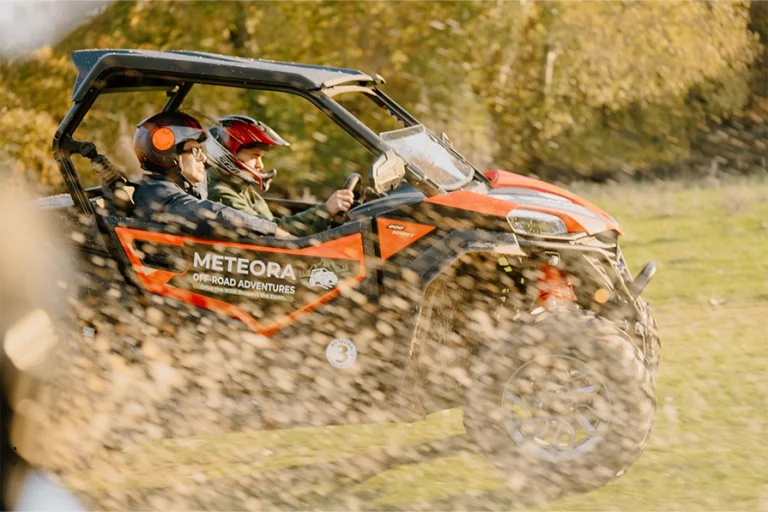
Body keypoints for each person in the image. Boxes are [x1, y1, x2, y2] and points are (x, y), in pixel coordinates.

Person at [131, 111, 295, 239]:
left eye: (202, 150)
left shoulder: (185, 187)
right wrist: (274, 231)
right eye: (195, 151)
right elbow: (211, 213)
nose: (203, 157)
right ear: (169, 157)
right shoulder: (156, 193)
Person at [204, 115, 354, 237]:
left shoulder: (241, 189)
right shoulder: (221, 194)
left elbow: (272, 224)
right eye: (255, 156)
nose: (260, 165)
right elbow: (273, 231)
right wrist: (325, 211)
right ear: (228, 155)